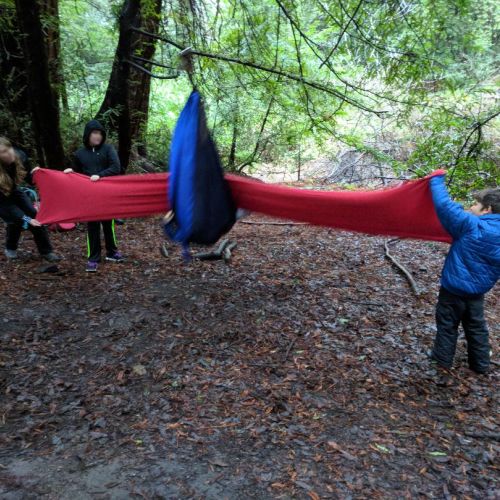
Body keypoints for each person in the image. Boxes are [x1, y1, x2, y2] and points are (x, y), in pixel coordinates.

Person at [429, 173, 499, 375]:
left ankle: (441, 363)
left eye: (475, 205)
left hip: (452, 291)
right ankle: (481, 365)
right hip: (477, 293)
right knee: (476, 327)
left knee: (447, 325)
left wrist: (436, 180)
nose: (471, 208)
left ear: (488, 209)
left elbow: (445, 206)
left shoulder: (472, 225)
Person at [64, 120, 124, 272]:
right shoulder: (79, 153)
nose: (98, 136)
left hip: (106, 194)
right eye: (94, 133)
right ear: (88, 134)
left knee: (108, 224)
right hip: (89, 196)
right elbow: (77, 174)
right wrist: (70, 173)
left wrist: (100, 175)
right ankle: (93, 258)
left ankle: (112, 252)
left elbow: (116, 168)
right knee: (92, 226)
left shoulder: (108, 149)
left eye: (100, 133)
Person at [0, 137, 60, 262]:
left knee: (35, 215)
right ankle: (10, 247)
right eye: (4, 152)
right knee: (16, 220)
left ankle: (47, 251)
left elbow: (29, 177)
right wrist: (27, 219)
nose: (9, 152)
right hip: (2, 200)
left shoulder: (20, 156)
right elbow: (9, 207)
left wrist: (38, 175)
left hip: (14, 189)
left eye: (9, 148)